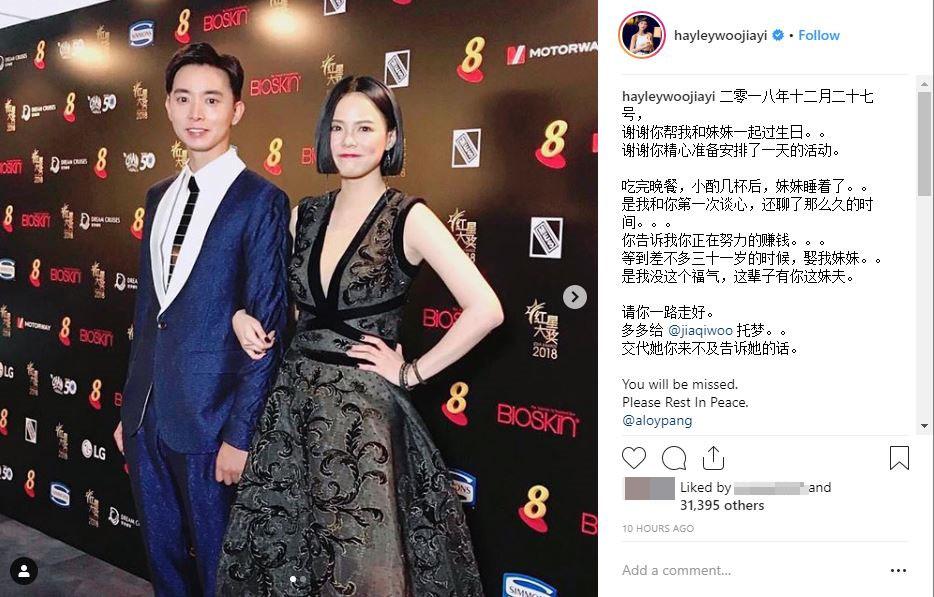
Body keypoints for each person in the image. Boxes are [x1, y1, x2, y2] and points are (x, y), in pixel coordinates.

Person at [216, 75, 502, 596]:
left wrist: (411, 372)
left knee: (361, 567)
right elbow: (273, 301)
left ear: (390, 137)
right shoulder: (304, 214)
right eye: (338, 127)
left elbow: (486, 309)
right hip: (291, 409)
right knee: (286, 559)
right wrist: (240, 316)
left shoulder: (409, 217)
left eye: (365, 128)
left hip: (363, 424)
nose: (348, 140)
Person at [112, 42, 290, 596]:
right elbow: (150, 313)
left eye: (212, 99)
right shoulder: (158, 195)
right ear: (167, 105)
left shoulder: (261, 199)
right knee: (164, 564)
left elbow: (268, 324)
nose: (196, 113)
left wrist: (241, 434)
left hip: (213, 422)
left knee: (221, 570)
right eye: (184, 98)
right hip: (148, 417)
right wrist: (131, 407)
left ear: (236, 109)